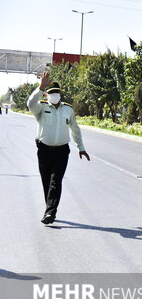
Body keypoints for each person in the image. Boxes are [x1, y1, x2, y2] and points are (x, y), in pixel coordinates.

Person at [27, 71, 90, 224]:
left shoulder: (68, 109)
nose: (54, 94)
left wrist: (81, 147)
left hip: (62, 150)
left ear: (60, 93)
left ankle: (50, 213)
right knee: (47, 182)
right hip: (44, 150)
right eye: (51, 92)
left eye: (56, 92)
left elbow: (75, 129)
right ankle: (49, 208)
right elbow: (30, 104)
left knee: (56, 181)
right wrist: (40, 87)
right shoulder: (40, 108)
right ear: (46, 95)